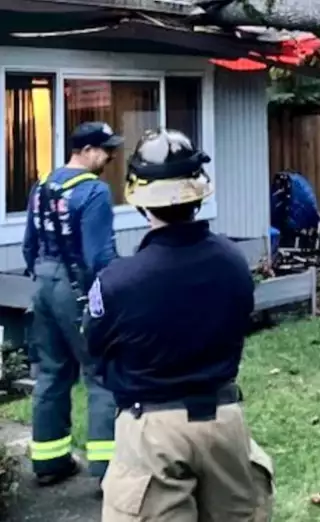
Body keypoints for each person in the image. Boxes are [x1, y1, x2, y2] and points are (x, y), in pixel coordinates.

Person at [85, 128, 274, 521]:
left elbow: (97, 351)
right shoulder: (234, 263)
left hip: (151, 431)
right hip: (224, 424)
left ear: (138, 200)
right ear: (198, 195)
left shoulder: (118, 282)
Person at [22, 121, 122, 486]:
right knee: (100, 374)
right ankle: (107, 471)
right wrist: (114, 292)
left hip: (44, 283)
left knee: (50, 372)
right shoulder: (94, 192)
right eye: (106, 150)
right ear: (86, 151)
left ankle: (49, 463)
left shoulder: (42, 186)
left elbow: (29, 244)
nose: (111, 156)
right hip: (77, 287)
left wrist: (44, 277)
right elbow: (100, 256)